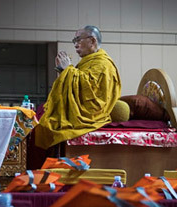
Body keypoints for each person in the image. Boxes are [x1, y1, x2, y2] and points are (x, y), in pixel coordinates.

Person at [29, 26, 121, 168]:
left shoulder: (103, 64)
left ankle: (40, 169)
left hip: (90, 114)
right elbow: (77, 86)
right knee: (40, 118)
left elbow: (92, 95)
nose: (75, 44)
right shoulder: (89, 62)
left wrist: (68, 70)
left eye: (78, 39)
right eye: (74, 40)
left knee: (45, 126)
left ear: (92, 41)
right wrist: (64, 70)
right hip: (77, 109)